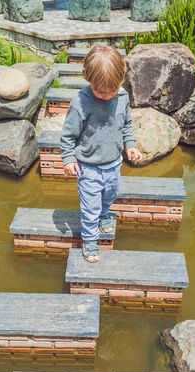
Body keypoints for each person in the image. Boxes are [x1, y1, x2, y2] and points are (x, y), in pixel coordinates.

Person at [60, 45, 142, 263]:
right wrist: (68, 158)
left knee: (110, 195)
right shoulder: (81, 102)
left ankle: (105, 213)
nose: (107, 96)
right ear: (88, 79)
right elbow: (68, 135)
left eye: (112, 90)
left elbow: (126, 124)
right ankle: (90, 239)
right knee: (89, 208)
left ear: (121, 80)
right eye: (101, 91)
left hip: (114, 164)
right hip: (88, 167)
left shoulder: (122, 96)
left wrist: (130, 145)